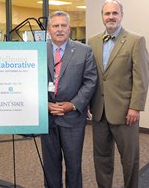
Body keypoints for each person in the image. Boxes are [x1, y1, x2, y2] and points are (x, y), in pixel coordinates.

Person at [88, 0, 149, 188]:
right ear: (102, 17)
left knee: (130, 160)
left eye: (115, 13)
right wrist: (89, 102)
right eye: (107, 13)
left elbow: (142, 77)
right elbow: (92, 76)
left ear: (121, 15)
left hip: (125, 113)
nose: (111, 17)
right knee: (101, 158)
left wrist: (135, 107)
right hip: (99, 112)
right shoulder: (92, 42)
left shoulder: (135, 40)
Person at [41, 11, 97, 188]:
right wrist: (44, 104)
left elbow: (90, 81)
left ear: (69, 29)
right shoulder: (38, 51)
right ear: (49, 30)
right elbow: (29, 81)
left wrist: (72, 105)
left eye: (63, 25)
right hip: (47, 118)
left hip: (72, 119)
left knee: (73, 166)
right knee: (50, 167)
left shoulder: (84, 51)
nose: (59, 29)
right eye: (55, 26)